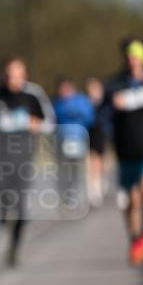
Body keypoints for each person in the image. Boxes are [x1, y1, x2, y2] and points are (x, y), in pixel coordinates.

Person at [0, 58, 56, 266]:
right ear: (3, 74)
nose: (12, 78)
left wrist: (36, 124)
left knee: (21, 206)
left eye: (16, 73)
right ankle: (4, 216)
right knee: (4, 200)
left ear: (24, 75)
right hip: (0, 158)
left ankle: (14, 248)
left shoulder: (33, 94)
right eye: (8, 74)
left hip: (24, 156)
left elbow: (49, 123)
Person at [106, 39, 143, 265]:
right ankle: (134, 238)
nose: (132, 61)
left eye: (136, 56)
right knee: (131, 199)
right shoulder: (116, 84)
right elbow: (102, 113)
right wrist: (111, 105)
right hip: (126, 148)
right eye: (129, 57)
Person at [52, 76, 94, 214]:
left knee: (75, 167)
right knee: (62, 169)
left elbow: (89, 117)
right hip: (60, 139)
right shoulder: (56, 103)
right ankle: (65, 193)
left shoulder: (81, 100)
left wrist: (74, 113)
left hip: (77, 139)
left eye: (66, 89)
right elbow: (52, 120)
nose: (63, 92)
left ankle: (73, 193)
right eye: (61, 89)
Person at [84, 76, 113, 208]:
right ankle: (94, 189)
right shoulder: (86, 102)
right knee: (92, 160)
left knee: (101, 161)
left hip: (103, 133)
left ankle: (101, 180)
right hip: (90, 133)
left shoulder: (106, 101)